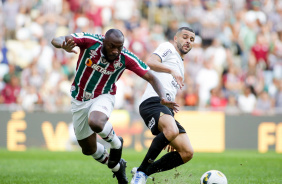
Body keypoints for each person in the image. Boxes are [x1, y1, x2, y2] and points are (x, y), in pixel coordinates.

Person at [51, 29, 178, 184]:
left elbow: (151, 76)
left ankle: (116, 143)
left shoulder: (125, 57)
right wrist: (63, 44)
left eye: (120, 47)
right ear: (104, 41)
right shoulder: (90, 42)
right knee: (88, 149)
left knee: (96, 122)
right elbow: (57, 39)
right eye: (112, 46)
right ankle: (118, 167)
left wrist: (163, 97)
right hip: (79, 99)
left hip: (103, 96)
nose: (116, 51)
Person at [131, 27, 195, 184]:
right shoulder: (168, 48)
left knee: (187, 152)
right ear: (175, 38)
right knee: (171, 130)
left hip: (165, 108)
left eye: (192, 39)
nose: (188, 41)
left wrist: (169, 125)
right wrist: (171, 70)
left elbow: (169, 92)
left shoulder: (180, 64)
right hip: (152, 101)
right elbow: (151, 62)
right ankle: (140, 173)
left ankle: (144, 171)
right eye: (185, 37)